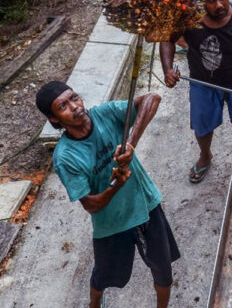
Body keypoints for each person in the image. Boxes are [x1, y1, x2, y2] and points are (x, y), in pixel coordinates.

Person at [35, 82, 179, 308]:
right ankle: (95, 303)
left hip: (145, 203)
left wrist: (130, 144)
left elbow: (152, 98)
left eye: (74, 97)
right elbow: (90, 205)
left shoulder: (105, 114)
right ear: (54, 120)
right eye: (63, 106)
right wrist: (116, 185)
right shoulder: (65, 158)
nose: (74, 107)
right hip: (112, 223)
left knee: (163, 271)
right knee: (104, 275)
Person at [159, 0, 232, 183]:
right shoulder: (189, 19)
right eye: (211, 1)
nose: (219, 5)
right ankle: (205, 156)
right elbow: (167, 39)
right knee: (202, 125)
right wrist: (168, 69)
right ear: (201, 2)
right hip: (202, 83)